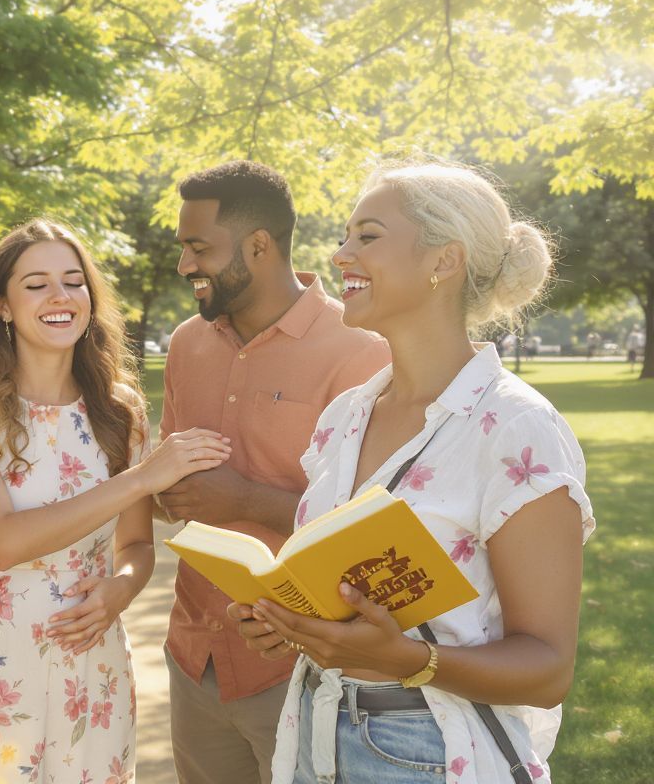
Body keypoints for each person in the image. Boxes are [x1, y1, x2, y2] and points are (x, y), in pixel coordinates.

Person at [231, 160, 595, 784]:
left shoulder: (517, 429)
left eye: (367, 236)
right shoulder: (346, 415)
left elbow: (547, 670)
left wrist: (406, 658)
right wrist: (294, 621)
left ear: (444, 261)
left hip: (428, 752)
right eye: (345, 236)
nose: (340, 254)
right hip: (314, 733)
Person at [0, 219, 231, 782]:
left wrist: (121, 589)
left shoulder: (119, 409)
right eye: (36, 284)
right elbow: (4, 541)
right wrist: (140, 478)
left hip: (92, 658)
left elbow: (136, 545)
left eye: (73, 281)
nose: (60, 296)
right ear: (2, 305)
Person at [155, 160, 390, 784]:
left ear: (259, 246)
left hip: (298, 668)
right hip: (194, 657)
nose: (183, 265)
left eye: (198, 248)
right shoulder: (187, 343)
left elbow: (376, 532)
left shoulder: (361, 351)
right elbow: (166, 484)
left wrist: (246, 500)